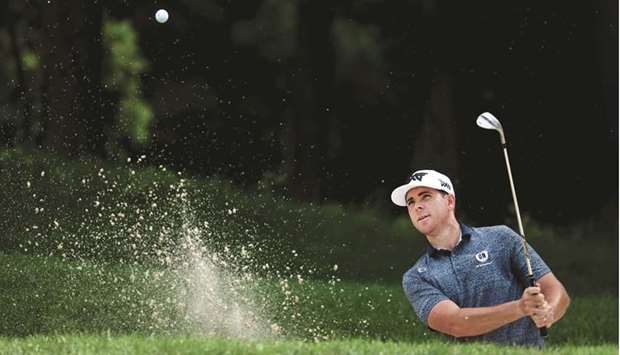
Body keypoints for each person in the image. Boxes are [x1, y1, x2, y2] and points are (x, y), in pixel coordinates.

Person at [391, 169, 570, 347]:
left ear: (450, 201)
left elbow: (555, 289)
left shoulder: (502, 238)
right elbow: (455, 323)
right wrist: (520, 308)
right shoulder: (417, 277)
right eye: (411, 202)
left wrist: (549, 313)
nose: (417, 206)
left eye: (426, 196)